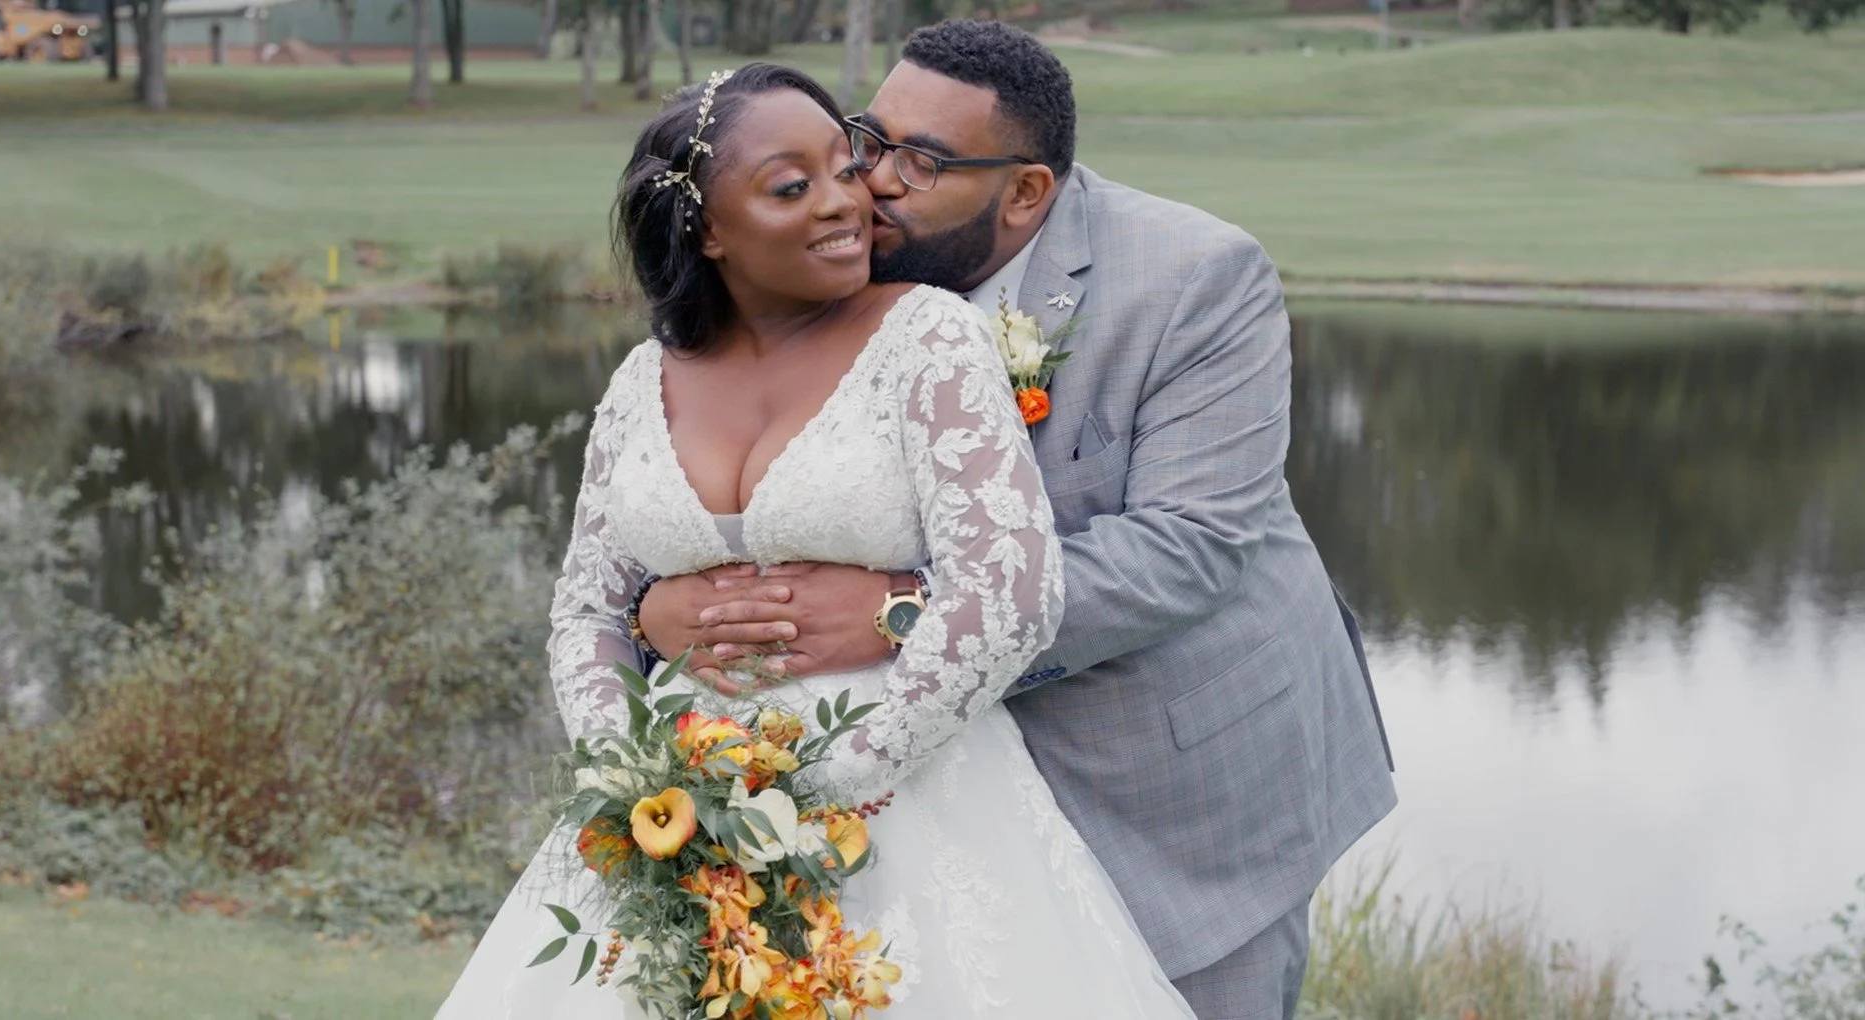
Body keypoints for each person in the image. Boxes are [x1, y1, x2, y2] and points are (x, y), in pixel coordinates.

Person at [635, 21, 1397, 1020]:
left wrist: (899, 612)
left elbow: (1187, 551)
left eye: (922, 161)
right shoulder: (828, 258)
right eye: (868, 137)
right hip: (921, 794)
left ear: (1026, 191)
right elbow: (697, 482)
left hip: (1175, 793)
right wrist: (665, 611)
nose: (869, 180)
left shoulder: (1195, 281)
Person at [436, 63, 1198, 1018]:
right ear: (708, 229)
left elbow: (1010, 592)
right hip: (678, 813)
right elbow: (587, 605)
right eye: (792, 187)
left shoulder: (928, 337)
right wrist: (633, 777)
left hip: (900, 799)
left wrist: (828, 788)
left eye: (845, 168)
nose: (847, 201)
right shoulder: (642, 380)